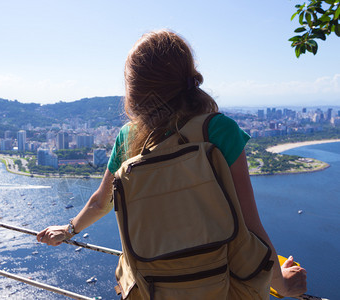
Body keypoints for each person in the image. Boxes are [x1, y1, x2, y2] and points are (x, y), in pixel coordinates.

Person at [37, 29, 307, 298]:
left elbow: (100, 202)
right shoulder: (219, 131)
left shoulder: (127, 138)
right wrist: (282, 284)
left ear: (133, 90)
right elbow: (250, 228)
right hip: (222, 287)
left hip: (151, 290)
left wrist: (69, 229)